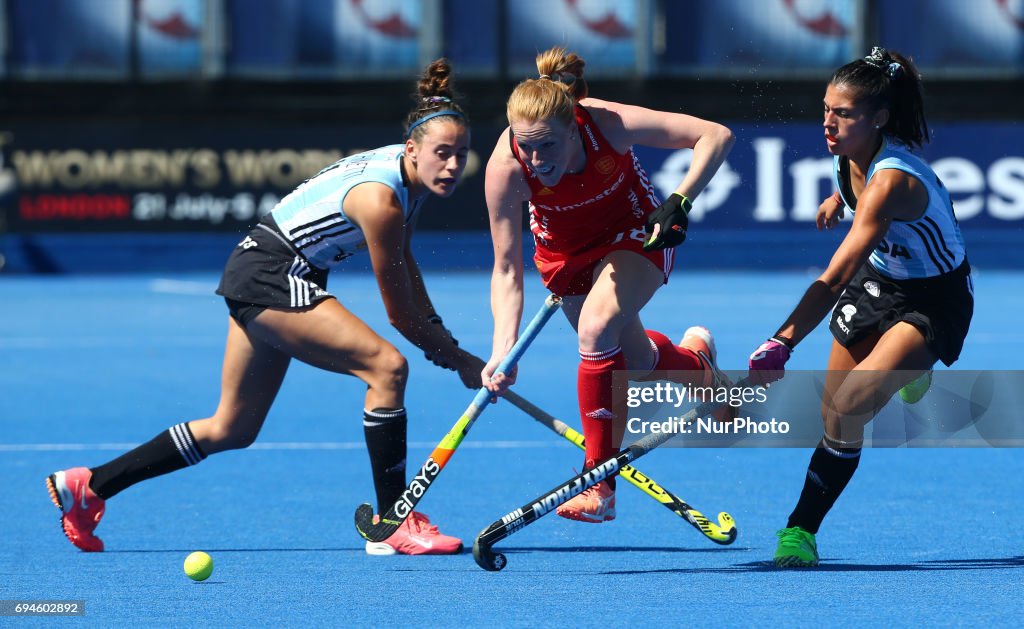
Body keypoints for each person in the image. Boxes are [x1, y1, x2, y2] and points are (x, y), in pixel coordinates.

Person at [45, 58, 485, 556]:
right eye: (443, 154)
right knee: (387, 368)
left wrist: (446, 342)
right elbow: (398, 312)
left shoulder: (409, 176)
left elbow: (405, 263)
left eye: (462, 155)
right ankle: (392, 521)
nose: (452, 166)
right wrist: (458, 357)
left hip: (259, 268)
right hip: (276, 274)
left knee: (232, 428)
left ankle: (91, 485)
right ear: (413, 149)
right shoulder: (381, 200)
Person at [481, 47, 735, 523]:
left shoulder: (607, 123)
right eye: (526, 146)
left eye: (548, 146)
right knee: (635, 363)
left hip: (637, 231)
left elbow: (714, 136)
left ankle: (599, 485)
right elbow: (506, 269)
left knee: (596, 330)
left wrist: (680, 201)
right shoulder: (506, 167)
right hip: (564, 254)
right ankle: (702, 369)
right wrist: (503, 349)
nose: (537, 160)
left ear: (574, 125)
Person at [748, 47, 973, 567]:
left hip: (934, 297)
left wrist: (783, 339)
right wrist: (837, 201)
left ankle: (799, 532)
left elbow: (835, 276)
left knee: (852, 405)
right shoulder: (846, 152)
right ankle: (905, 369)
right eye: (826, 108)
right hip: (882, 282)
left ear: (879, 119)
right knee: (835, 418)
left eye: (843, 114)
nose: (829, 122)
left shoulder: (893, 178)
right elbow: (853, 195)